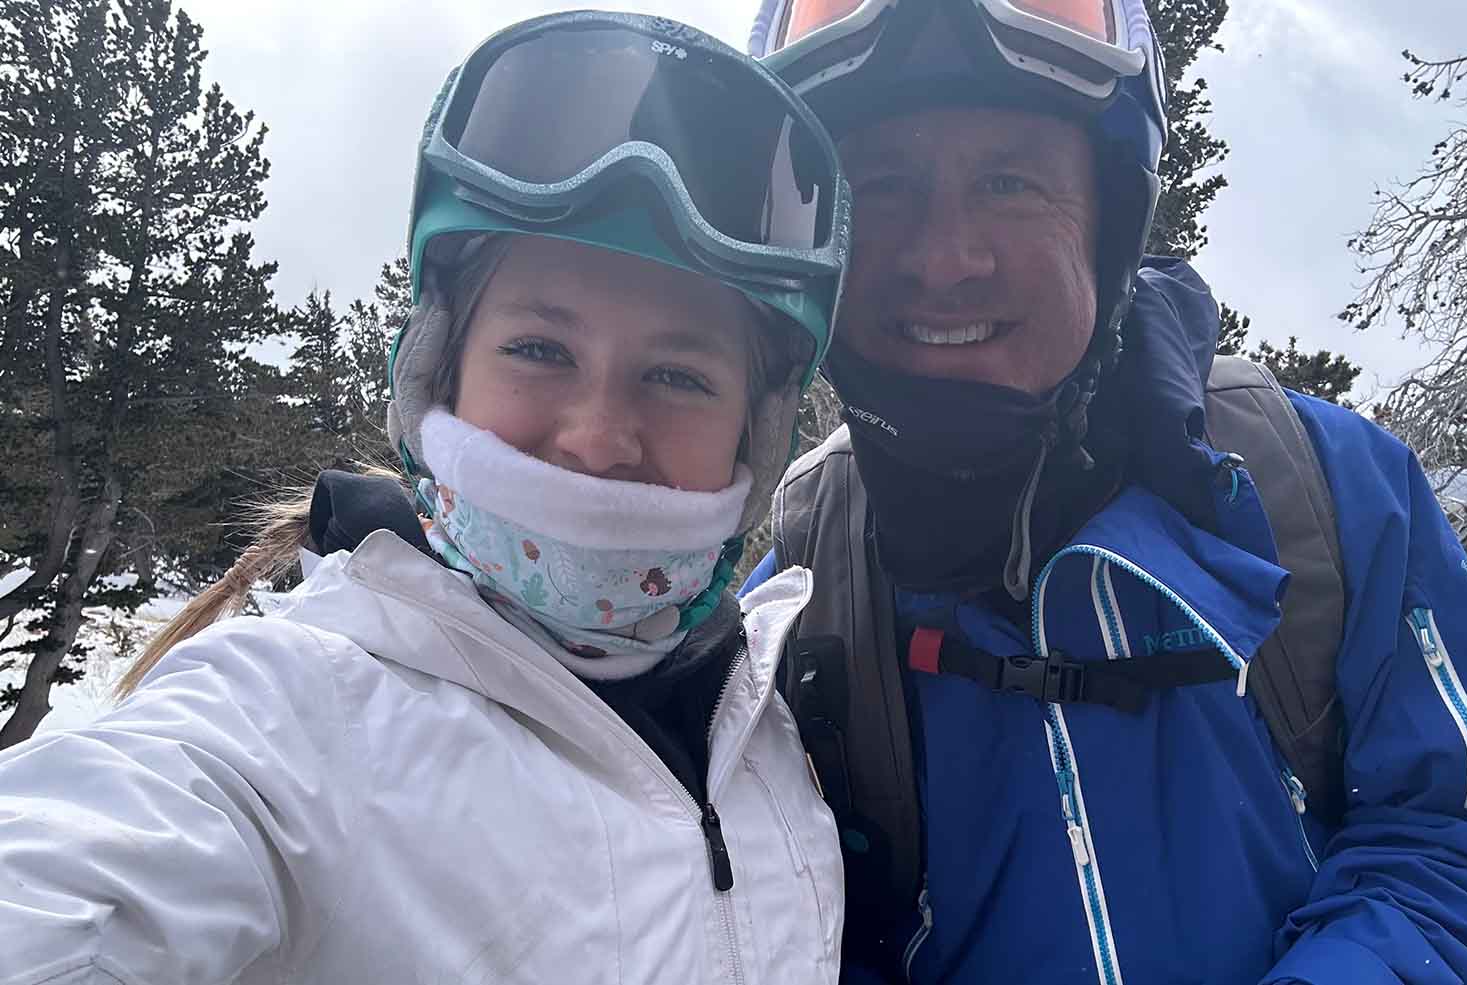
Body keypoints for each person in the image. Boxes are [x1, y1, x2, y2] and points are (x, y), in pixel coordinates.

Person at [0, 12, 851, 984]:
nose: (597, 437)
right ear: (440, 373)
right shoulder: (294, 716)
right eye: (540, 349)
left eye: (679, 376)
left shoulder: (779, 725)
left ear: (757, 429)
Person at [740, 2, 1467, 983]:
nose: (946, 258)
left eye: (1009, 183)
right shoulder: (805, 581)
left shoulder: (1321, 487)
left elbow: (1463, 834)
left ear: (1110, 216)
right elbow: (791, 927)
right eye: (883, 189)